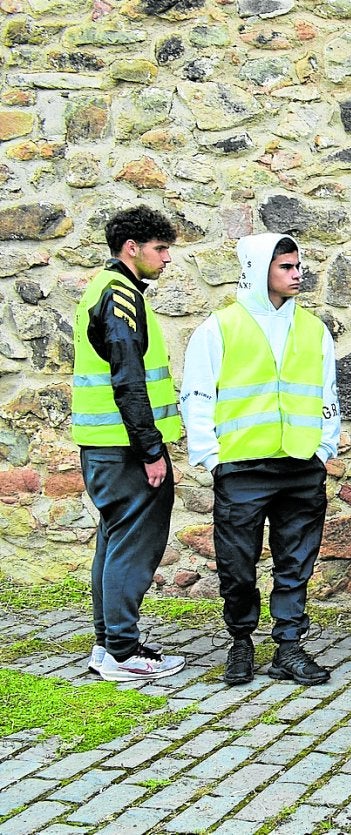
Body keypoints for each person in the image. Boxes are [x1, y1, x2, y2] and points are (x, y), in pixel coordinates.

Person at [182, 233, 341, 687]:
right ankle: (241, 643)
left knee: (297, 562)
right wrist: (211, 458)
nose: (298, 274)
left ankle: (288, 647)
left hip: (300, 465)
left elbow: (327, 393)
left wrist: (324, 448)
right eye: (286, 267)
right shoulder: (219, 328)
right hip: (241, 467)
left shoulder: (314, 328)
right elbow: (197, 395)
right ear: (258, 271)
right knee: (237, 563)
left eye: (298, 266)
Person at [73, 206, 186, 682]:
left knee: (113, 541)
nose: (166, 260)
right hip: (124, 448)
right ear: (131, 248)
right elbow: (128, 378)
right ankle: (122, 651)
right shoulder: (120, 295)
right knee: (133, 545)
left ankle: (108, 645)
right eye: (160, 250)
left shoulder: (102, 288)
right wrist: (151, 449)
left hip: (103, 445)